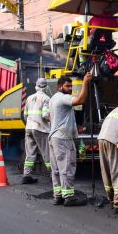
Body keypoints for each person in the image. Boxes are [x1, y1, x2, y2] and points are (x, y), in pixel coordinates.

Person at [49, 73, 92, 207]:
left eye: (71, 86)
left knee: (56, 169)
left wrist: (74, 127)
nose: (70, 88)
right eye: (67, 86)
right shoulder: (63, 98)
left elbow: (57, 118)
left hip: (54, 137)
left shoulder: (53, 99)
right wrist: (85, 82)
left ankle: (58, 196)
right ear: (60, 86)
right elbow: (80, 100)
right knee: (67, 166)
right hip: (63, 139)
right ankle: (68, 197)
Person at [21, 78, 52, 184]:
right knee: (47, 153)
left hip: (29, 127)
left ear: (36, 86)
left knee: (30, 153)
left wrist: (29, 123)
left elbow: (25, 115)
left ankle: (26, 175)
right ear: (45, 87)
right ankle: (53, 175)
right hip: (40, 128)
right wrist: (52, 122)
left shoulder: (29, 98)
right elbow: (45, 115)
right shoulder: (46, 98)